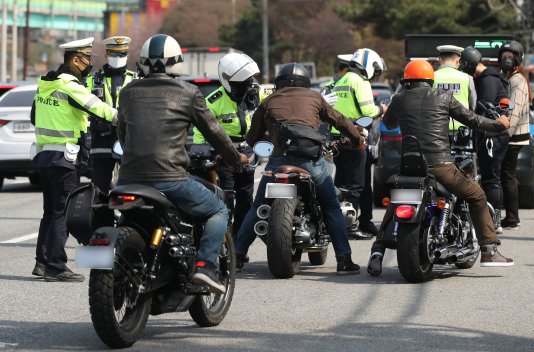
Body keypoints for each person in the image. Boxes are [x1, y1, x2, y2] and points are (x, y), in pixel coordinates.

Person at [116, 34, 248, 294]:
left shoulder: (128, 92)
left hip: (128, 179)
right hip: (170, 179)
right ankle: (205, 266)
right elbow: (215, 133)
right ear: (176, 63)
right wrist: (236, 159)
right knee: (218, 209)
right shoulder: (188, 93)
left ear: (143, 63)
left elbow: (123, 133)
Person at [367, 60, 514, 276]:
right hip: (440, 164)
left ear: (406, 80)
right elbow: (472, 120)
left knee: (399, 199)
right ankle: (489, 250)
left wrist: (393, 110)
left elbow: (388, 123)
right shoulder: (442, 96)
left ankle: (377, 251)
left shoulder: (399, 98)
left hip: (410, 166)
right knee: (477, 195)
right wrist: (500, 124)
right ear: (430, 79)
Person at [235, 63, 364, 274]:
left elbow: (252, 139)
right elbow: (339, 120)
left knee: (257, 208)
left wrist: (270, 136)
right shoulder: (314, 98)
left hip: (278, 163)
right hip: (310, 163)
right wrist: (357, 139)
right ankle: (344, 260)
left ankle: (238, 256)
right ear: (306, 82)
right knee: (331, 205)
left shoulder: (268, 102)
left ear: (279, 82)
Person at [31, 37, 118, 282]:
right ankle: (56, 267)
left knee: (50, 212)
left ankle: (42, 261)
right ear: (77, 59)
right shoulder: (70, 85)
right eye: (88, 59)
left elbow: (33, 116)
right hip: (64, 158)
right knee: (62, 213)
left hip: (44, 156)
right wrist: (130, 118)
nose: (89, 63)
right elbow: (100, 109)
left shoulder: (45, 85)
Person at [192, 53, 267, 236]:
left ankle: (238, 241)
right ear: (228, 80)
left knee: (246, 200)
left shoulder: (256, 94)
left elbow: (278, 101)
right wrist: (201, 154)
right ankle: (223, 240)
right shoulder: (213, 101)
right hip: (224, 153)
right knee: (227, 199)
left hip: (248, 151)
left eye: (248, 81)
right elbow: (200, 131)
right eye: (241, 82)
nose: (246, 86)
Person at [331, 48, 387, 239]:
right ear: (369, 65)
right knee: (355, 187)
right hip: (355, 138)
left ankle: (360, 222)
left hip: (338, 139)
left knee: (344, 183)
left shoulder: (342, 79)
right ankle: (350, 226)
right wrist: (382, 108)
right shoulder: (360, 81)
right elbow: (368, 109)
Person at [459, 46, 509, 234]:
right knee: (491, 178)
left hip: (492, 136)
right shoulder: (490, 76)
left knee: (491, 179)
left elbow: (482, 109)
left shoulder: (487, 79)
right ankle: (492, 218)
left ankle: (494, 220)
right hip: (494, 134)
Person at [85, 36, 137, 194]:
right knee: (99, 192)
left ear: (127, 55)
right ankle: (102, 218)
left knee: (131, 191)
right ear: (106, 55)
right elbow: (82, 107)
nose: (118, 58)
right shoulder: (92, 80)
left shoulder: (137, 79)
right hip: (101, 142)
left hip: (130, 143)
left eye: (122, 54)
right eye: (114, 54)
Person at [498, 40, 531, 230]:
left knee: (507, 176)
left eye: (511, 57)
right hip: (512, 134)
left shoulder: (517, 80)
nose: (507, 60)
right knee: (507, 175)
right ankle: (511, 216)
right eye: (504, 57)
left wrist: (504, 133)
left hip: (513, 135)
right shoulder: (509, 78)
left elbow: (515, 111)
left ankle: (512, 218)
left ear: (518, 59)